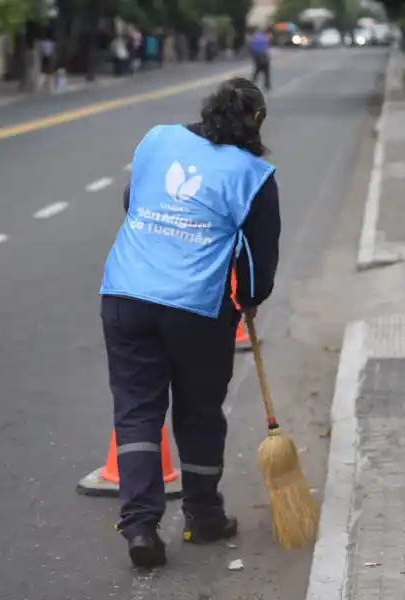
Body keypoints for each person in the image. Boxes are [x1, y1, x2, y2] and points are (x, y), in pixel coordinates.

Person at [100, 77, 281, 568]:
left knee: (137, 410)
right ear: (256, 119)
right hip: (195, 308)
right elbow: (259, 263)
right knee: (198, 410)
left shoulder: (157, 139)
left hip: (125, 295)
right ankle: (203, 517)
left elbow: (131, 202)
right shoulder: (254, 175)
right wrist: (248, 299)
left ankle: (139, 527)